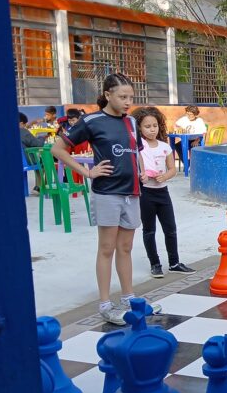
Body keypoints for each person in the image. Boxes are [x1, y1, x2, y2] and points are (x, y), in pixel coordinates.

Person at [51, 73, 161, 326]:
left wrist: (141, 170)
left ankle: (128, 298)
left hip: (132, 193)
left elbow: (137, 152)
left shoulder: (132, 122)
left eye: (130, 98)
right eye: (122, 97)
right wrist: (87, 172)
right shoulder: (92, 121)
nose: (127, 102)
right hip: (107, 193)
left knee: (126, 248)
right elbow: (57, 149)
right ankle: (104, 304)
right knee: (107, 248)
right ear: (108, 94)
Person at [133, 106, 196, 279]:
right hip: (146, 193)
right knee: (149, 230)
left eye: (155, 125)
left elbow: (172, 169)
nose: (152, 129)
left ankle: (174, 263)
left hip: (162, 193)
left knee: (170, 229)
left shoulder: (165, 147)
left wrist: (165, 176)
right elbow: (136, 167)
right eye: (147, 126)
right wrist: (142, 176)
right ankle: (155, 264)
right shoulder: (138, 146)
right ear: (139, 128)